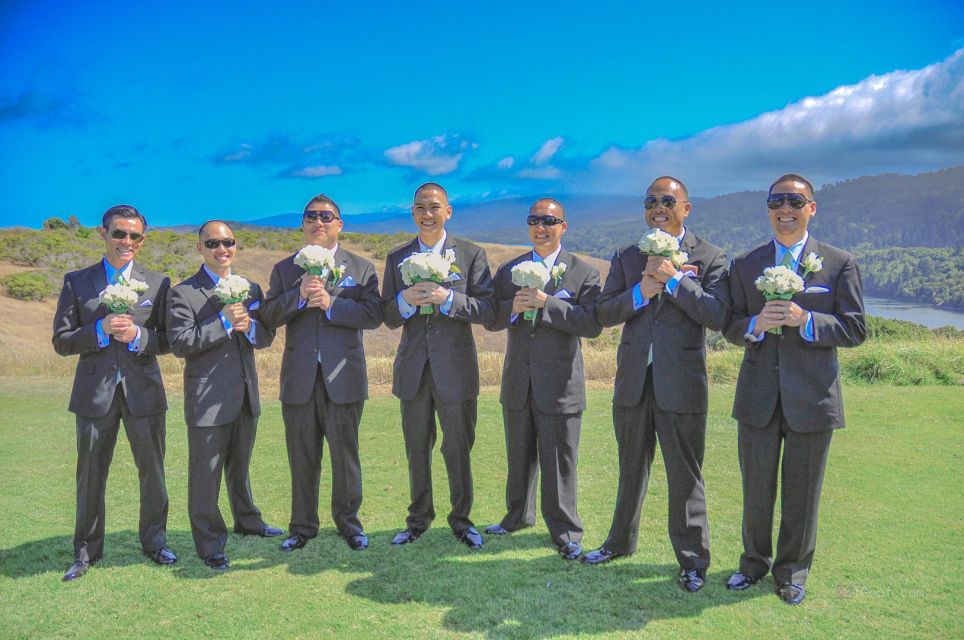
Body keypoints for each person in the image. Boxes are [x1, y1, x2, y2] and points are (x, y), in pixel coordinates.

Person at [723, 174, 866, 605]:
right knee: (756, 489)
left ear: (811, 208)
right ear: (768, 209)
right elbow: (730, 325)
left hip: (813, 397)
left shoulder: (839, 263)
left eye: (794, 201)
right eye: (776, 202)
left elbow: (855, 329)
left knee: (802, 493)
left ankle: (792, 573)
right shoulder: (744, 264)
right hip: (758, 395)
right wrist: (755, 324)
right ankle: (752, 564)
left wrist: (806, 320)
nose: (785, 209)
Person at [584, 176, 730, 593]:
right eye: (651, 202)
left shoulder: (710, 256)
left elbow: (718, 315)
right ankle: (618, 543)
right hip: (633, 380)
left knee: (685, 475)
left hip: (682, 383)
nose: (658, 208)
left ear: (686, 207)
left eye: (667, 200)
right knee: (630, 467)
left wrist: (674, 281)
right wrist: (641, 291)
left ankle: (693, 561)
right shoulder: (628, 255)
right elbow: (604, 313)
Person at [53, 204, 176, 581]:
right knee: (90, 474)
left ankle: (155, 543)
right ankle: (86, 552)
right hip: (94, 393)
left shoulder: (158, 283)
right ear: (103, 234)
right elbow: (61, 341)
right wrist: (100, 330)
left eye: (135, 236)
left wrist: (138, 335)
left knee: (153, 472)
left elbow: (169, 340)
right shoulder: (77, 281)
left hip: (145, 392)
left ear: (143, 239)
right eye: (119, 233)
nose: (127, 241)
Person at [260, 195, 382, 553]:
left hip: (344, 377)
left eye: (326, 216)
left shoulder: (360, 268)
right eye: (311, 216)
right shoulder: (285, 269)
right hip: (298, 378)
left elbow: (373, 315)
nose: (318, 222)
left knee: (346, 457)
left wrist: (332, 305)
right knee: (302, 457)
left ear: (339, 224)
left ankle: (349, 524)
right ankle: (302, 527)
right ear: (303, 224)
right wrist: (297, 296)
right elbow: (268, 316)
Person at [483, 198, 602, 560]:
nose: (541, 227)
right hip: (518, 379)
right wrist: (511, 308)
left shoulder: (583, 272)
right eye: (534, 220)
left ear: (562, 227)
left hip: (561, 383)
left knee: (559, 461)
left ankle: (566, 531)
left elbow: (591, 324)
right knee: (518, 455)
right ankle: (517, 516)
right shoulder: (509, 270)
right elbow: (490, 317)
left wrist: (546, 303)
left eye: (549, 221)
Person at [382, 183, 496, 549]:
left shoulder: (471, 254)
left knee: (458, 447)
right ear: (412, 213)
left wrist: (449, 299)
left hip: (456, 370)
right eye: (420, 207)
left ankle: (462, 521)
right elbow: (387, 315)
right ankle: (417, 520)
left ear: (448, 211)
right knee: (417, 449)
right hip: (413, 371)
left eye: (434, 207)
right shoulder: (397, 258)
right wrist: (404, 300)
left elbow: (488, 311)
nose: (427, 214)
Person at [165, 220, 282, 571]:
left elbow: (267, 336)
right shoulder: (183, 293)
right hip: (207, 397)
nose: (222, 249)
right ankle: (210, 544)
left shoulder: (251, 288)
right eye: (213, 243)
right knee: (206, 474)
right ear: (200, 248)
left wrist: (250, 327)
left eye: (228, 242)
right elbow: (180, 343)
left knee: (240, 467)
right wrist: (225, 323)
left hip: (245, 393)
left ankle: (248, 520)